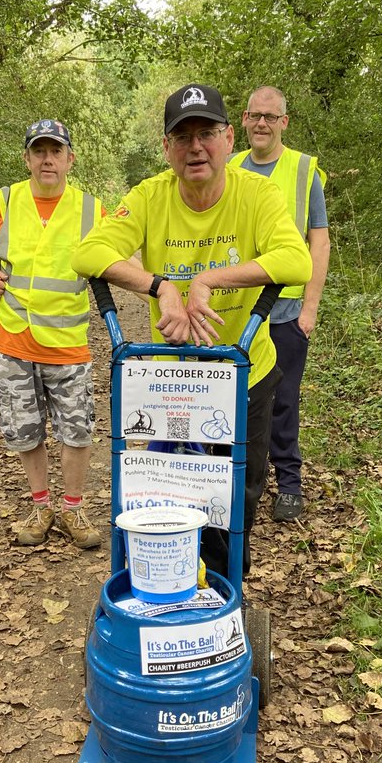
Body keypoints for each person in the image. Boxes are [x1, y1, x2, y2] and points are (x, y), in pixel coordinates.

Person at [71, 84, 312, 577]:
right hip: (172, 384)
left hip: (244, 372)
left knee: (235, 493)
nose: (195, 147)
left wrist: (208, 279)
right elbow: (88, 254)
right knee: (165, 488)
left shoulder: (257, 194)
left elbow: (297, 259)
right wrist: (161, 286)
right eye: (182, 137)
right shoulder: (149, 196)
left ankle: (223, 589)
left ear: (228, 138)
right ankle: (165, 581)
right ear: (166, 148)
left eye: (206, 133)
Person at [0, 119, 104, 549]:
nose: (48, 159)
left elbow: (112, 260)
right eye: (39, 151)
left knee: (77, 431)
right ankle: (41, 505)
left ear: (70, 158)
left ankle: (72, 508)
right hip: (11, 337)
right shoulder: (3, 200)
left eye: (56, 151)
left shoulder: (91, 209)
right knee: (24, 431)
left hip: (67, 343)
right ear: (28, 157)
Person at [230, 86, 330, 522]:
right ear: (244, 120)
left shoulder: (305, 170)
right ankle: (237, 483)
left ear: (284, 122)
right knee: (233, 399)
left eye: (271, 117)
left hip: (286, 309)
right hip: (234, 309)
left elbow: (319, 241)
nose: (262, 123)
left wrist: (310, 308)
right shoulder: (228, 166)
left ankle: (288, 484)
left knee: (283, 398)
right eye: (255, 115)